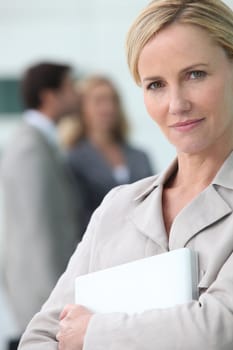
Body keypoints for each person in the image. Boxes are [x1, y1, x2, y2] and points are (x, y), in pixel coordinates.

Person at [18, 0, 233, 349]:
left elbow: (221, 326)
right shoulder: (116, 209)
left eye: (195, 74)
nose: (176, 104)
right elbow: (39, 337)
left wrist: (90, 333)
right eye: (155, 85)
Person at [0, 62, 81, 348]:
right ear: (49, 96)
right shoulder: (29, 148)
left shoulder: (41, 142)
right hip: (42, 299)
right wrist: (55, 306)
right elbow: (37, 234)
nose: (77, 94)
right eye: (70, 87)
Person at [66, 76, 154, 233]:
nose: (108, 107)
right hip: (97, 247)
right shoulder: (73, 160)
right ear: (82, 108)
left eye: (113, 100)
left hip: (143, 245)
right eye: (99, 101)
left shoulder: (140, 156)